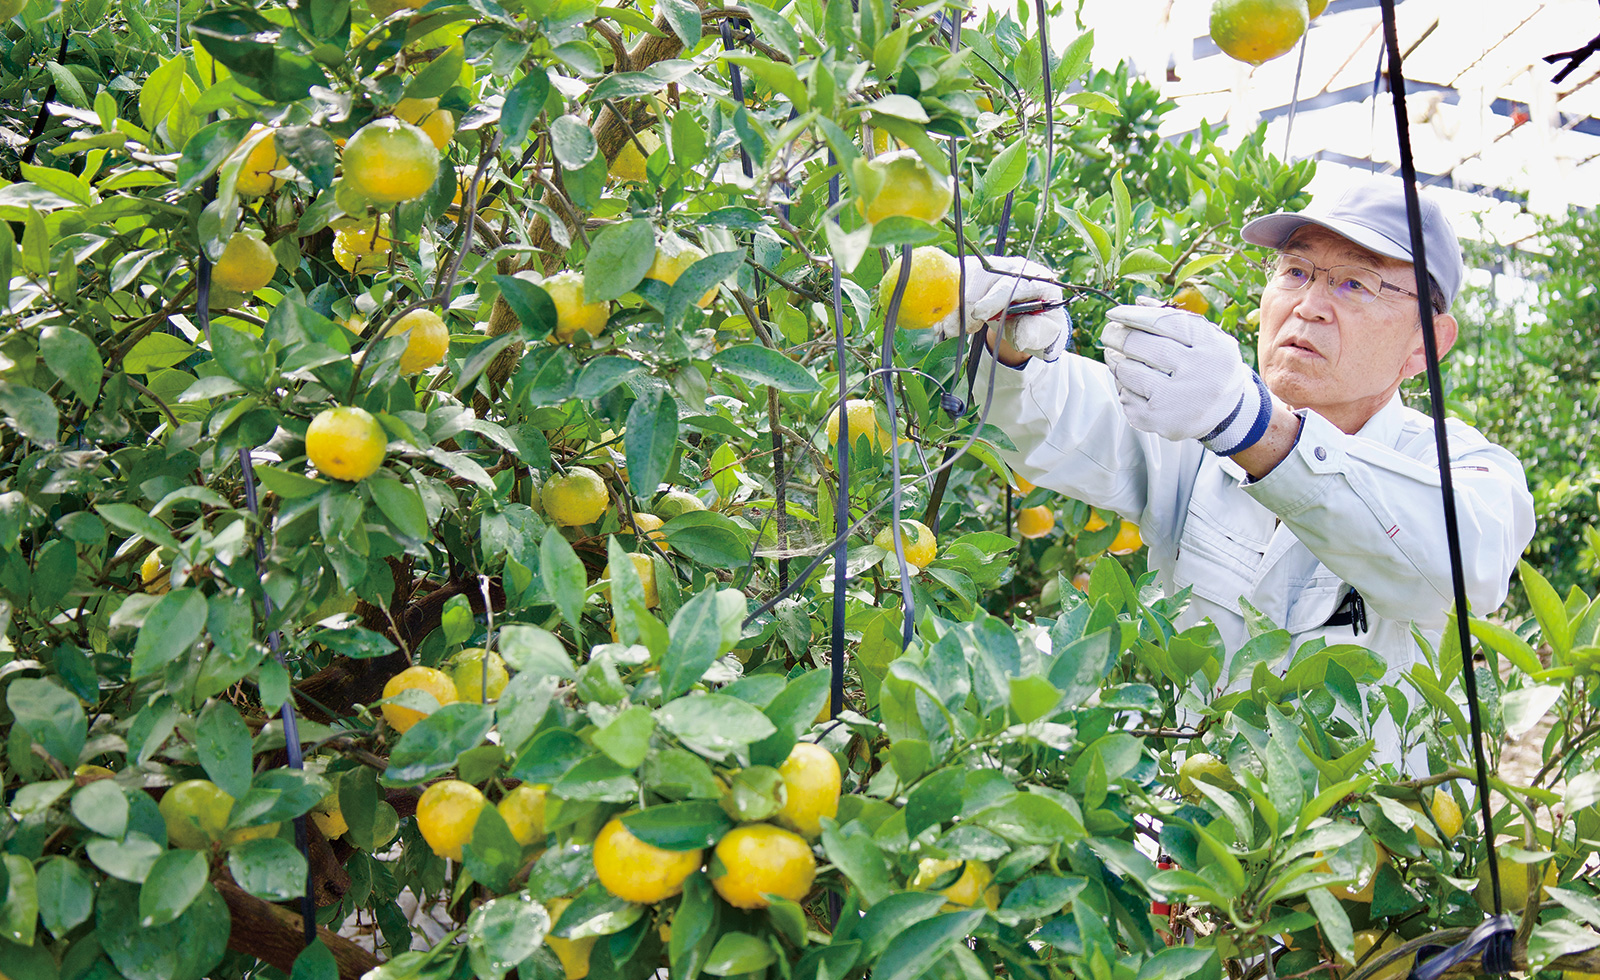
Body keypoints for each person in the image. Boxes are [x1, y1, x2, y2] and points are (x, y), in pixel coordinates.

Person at [942, 177, 1535, 765]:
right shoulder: (1197, 425)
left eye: (1354, 283)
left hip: (1362, 846)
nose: (1308, 307)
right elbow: (1052, 421)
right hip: (1184, 826)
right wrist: (1010, 347)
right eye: (1296, 272)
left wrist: (1253, 428)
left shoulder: (1465, 470)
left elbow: (1462, 567)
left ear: (1426, 345)